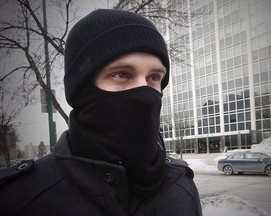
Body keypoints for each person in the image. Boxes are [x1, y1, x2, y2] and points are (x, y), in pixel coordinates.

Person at [0, 9, 202, 216]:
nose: (144, 92)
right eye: (122, 74)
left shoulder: (182, 187)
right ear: (82, 90)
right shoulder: (21, 197)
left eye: (154, 77)